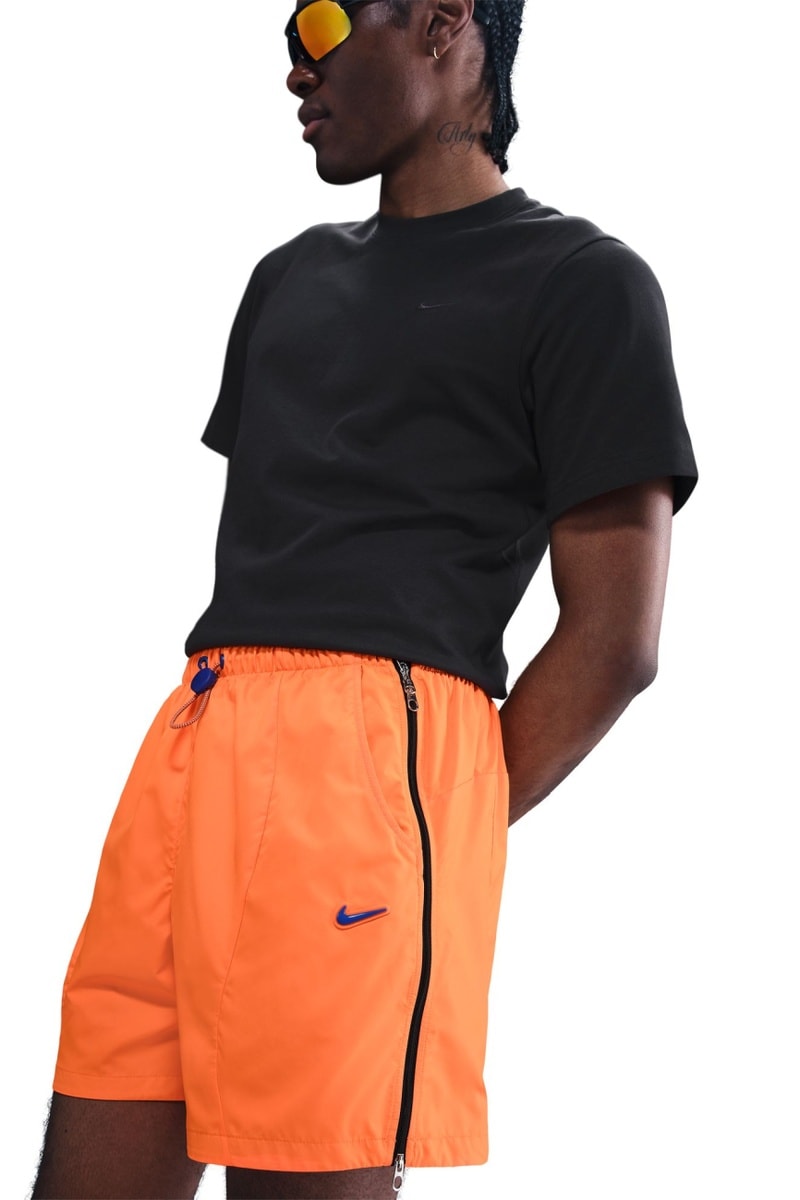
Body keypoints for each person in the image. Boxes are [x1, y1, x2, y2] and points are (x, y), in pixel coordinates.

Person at [31, 1, 698, 1198]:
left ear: (442, 24)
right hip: (198, 734)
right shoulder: (287, 278)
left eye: (325, 22)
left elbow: (614, 638)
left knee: (297, 1171)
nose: (298, 67)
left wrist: (432, 817)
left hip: (369, 757)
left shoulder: (582, 283)